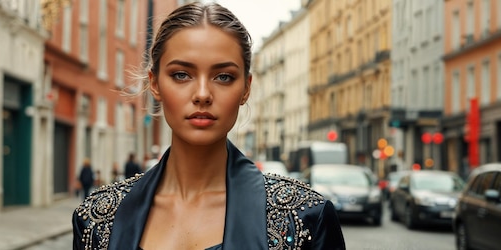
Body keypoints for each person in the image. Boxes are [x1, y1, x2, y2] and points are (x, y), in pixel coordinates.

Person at [72, 2, 345, 249]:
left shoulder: (306, 217)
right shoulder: (97, 219)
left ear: (246, 88)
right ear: (154, 83)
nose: (202, 94)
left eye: (223, 77)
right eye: (181, 75)